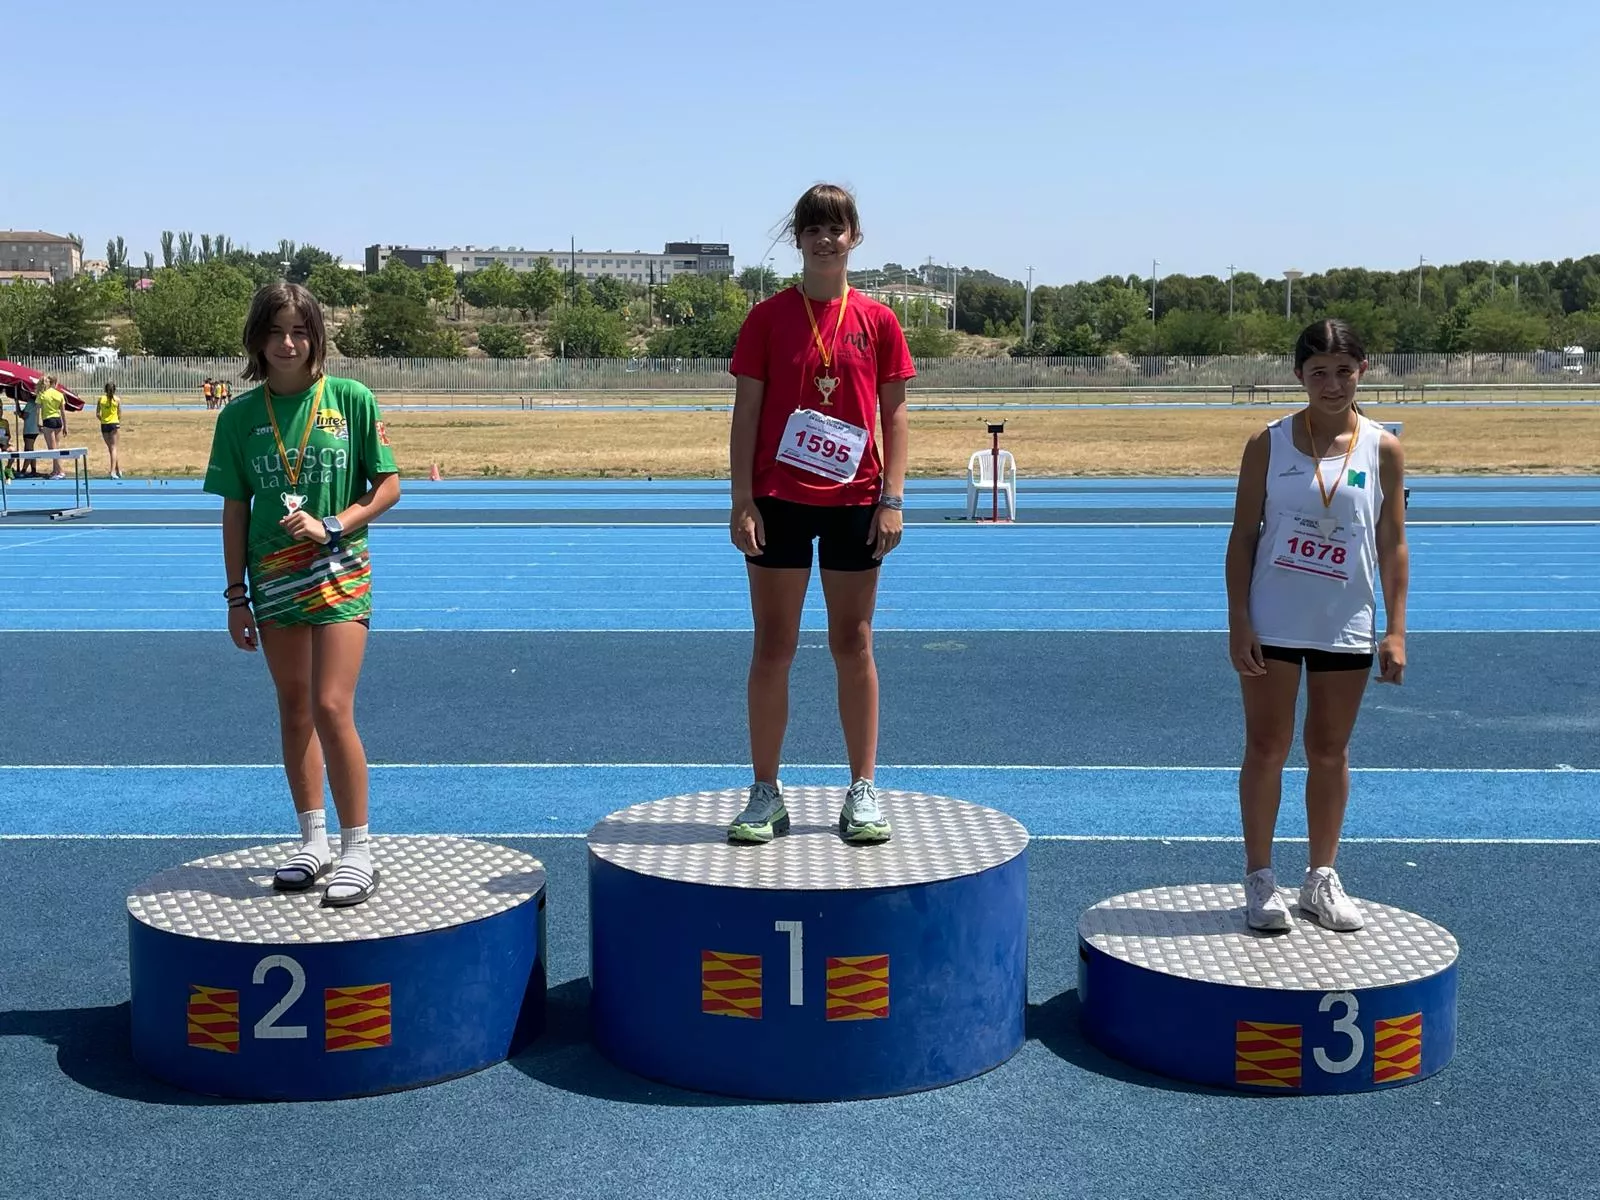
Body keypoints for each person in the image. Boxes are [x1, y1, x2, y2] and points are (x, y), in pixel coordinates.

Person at [725, 183, 914, 845]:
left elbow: (893, 412)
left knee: (852, 643)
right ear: (798, 239)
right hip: (777, 500)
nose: (826, 239)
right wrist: (740, 498)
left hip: (856, 501)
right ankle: (765, 791)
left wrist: (892, 497)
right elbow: (746, 412)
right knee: (773, 648)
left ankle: (862, 789)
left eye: (838, 228)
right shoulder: (767, 319)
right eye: (814, 228)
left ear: (854, 237)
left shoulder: (879, 322)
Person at [204, 282, 401, 907]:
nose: (288, 343)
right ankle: (312, 839)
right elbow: (236, 512)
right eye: (275, 331)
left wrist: (334, 524)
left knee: (331, 705)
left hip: (340, 568)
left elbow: (389, 486)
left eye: (300, 330)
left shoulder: (350, 399)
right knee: (293, 707)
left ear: (317, 335)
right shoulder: (239, 416)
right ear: (257, 339)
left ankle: (358, 849)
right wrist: (235, 595)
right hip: (274, 577)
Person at [1225, 318, 1409, 933]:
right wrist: (1238, 620)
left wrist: (1396, 628)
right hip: (1274, 620)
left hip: (1345, 622)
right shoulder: (1267, 444)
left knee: (1329, 752)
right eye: (1319, 372)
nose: (1332, 384)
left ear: (1363, 371)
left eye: (1344, 371)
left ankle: (1321, 878)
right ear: (1299, 375)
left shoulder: (1382, 448)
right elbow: (1242, 538)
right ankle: (1259, 877)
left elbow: (1392, 541)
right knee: (1267, 748)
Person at [37, 376, 67, 479]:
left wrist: (37, 423)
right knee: (56, 447)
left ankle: (61, 471)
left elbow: (38, 411)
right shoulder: (59, 394)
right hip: (58, 420)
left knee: (52, 449)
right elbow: (63, 412)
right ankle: (55, 471)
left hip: (48, 421)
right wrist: (65, 426)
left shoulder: (42, 395)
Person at [98, 382, 123, 479]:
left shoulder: (101, 399)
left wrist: (104, 420)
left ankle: (117, 469)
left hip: (104, 425)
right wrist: (115, 421)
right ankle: (113, 471)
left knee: (111, 449)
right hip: (114, 424)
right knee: (113, 448)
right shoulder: (117, 400)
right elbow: (119, 414)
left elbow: (97, 413)